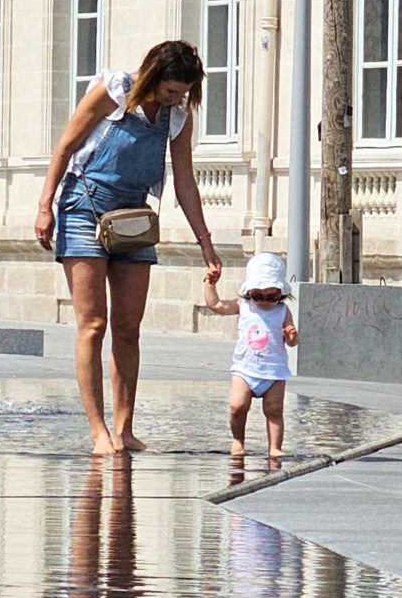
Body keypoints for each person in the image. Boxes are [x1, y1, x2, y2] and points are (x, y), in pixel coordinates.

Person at [34, 41, 224, 455]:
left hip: (134, 217)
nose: (177, 99)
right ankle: (99, 432)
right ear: (153, 76)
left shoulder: (177, 117)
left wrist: (206, 244)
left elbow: (185, 182)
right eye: (172, 91)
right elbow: (66, 146)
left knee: (128, 328)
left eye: (184, 93)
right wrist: (44, 206)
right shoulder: (113, 91)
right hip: (85, 205)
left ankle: (125, 429)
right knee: (94, 324)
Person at [199, 252, 300, 459]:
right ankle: (238, 440)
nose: (264, 301)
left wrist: (291, 336)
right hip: (244, 370)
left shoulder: (282, 311)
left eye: (271, 297)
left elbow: (292, 341)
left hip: (274, 371)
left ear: (280, 293)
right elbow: (215, 305)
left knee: (274, 411)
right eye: (258, 296)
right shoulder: (243, 306)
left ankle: (275, 446)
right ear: (249, 292)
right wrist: (210, 285)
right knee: (237, 406)